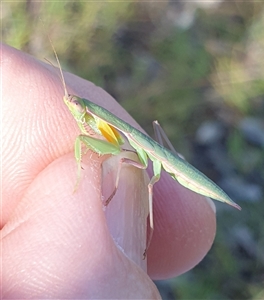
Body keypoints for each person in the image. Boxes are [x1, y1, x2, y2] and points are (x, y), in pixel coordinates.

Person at [1, 43, 216, 298]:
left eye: (78, 108)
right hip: (163, 161)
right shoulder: (107, 125)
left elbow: (110, 148)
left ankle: (145, 240)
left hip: (177, 171)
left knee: (144, 179)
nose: (75, 112)